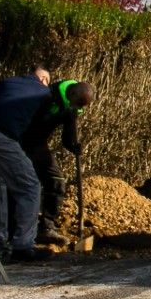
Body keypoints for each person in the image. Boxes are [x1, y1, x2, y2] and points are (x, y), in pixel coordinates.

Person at [0, 69, 60, 262]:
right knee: (30, 187)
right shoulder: (43, 92)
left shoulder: (6, 83)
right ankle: (24, 246)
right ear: (44, 79)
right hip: (3, 137)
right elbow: (35, 127)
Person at [21, 77, 95, 243]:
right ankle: (14, 229)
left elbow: (67, 137)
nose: (79, 108)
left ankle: (47, 226)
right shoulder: (47, 95)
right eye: (78, 104)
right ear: (73, 93)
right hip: (20, 142)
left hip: (38, 144)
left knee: (56, 180)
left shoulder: (71, 108)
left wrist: (73, 146)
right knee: (24, 184)